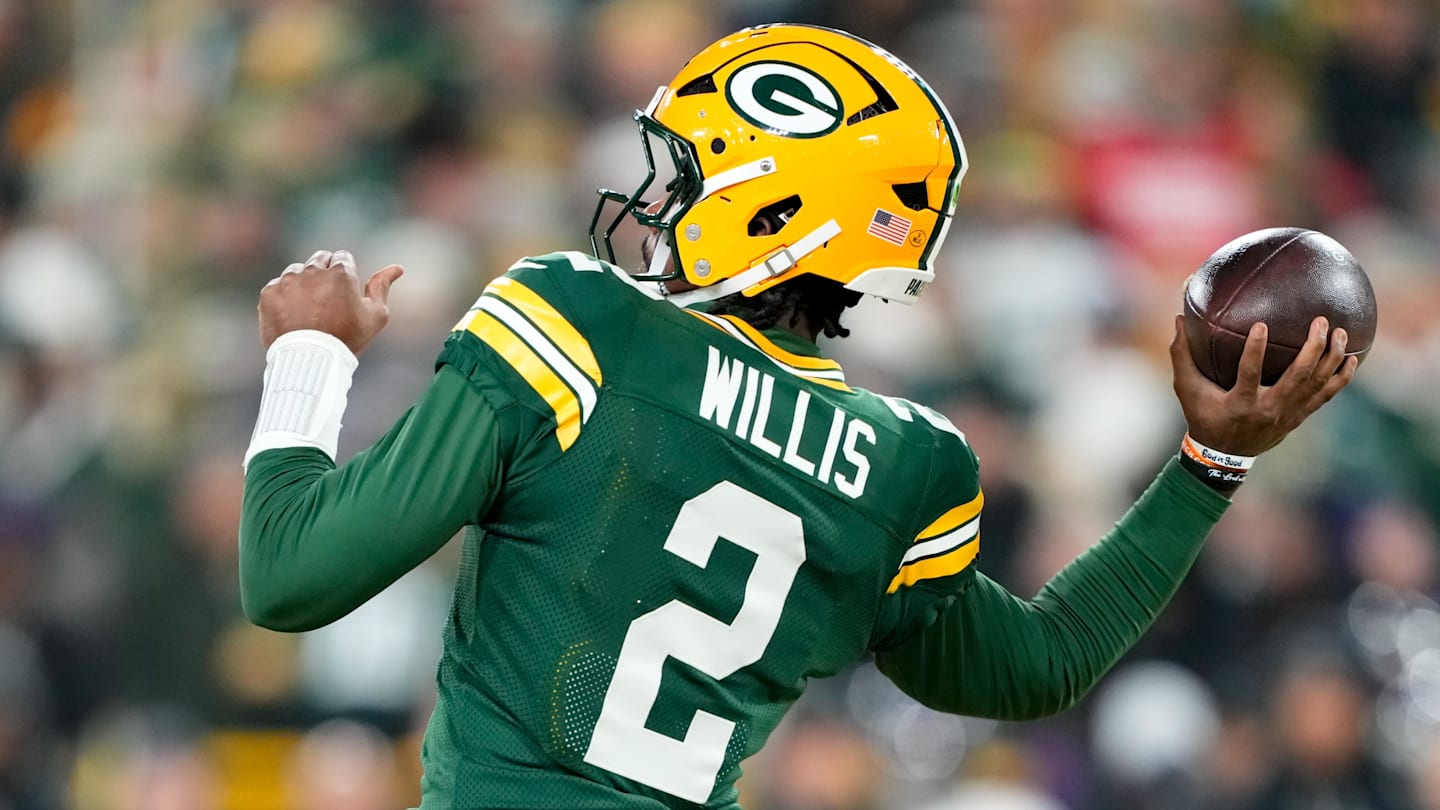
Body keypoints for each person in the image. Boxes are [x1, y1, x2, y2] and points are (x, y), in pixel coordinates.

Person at [239, 24, 1357, 810]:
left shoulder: (580, 320)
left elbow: (291, 577)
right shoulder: (905, 464)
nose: (660, 204)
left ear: (771, 205)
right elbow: (1038, 665)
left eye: (688, 178)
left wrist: (309, 354)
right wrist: (1212, 460)